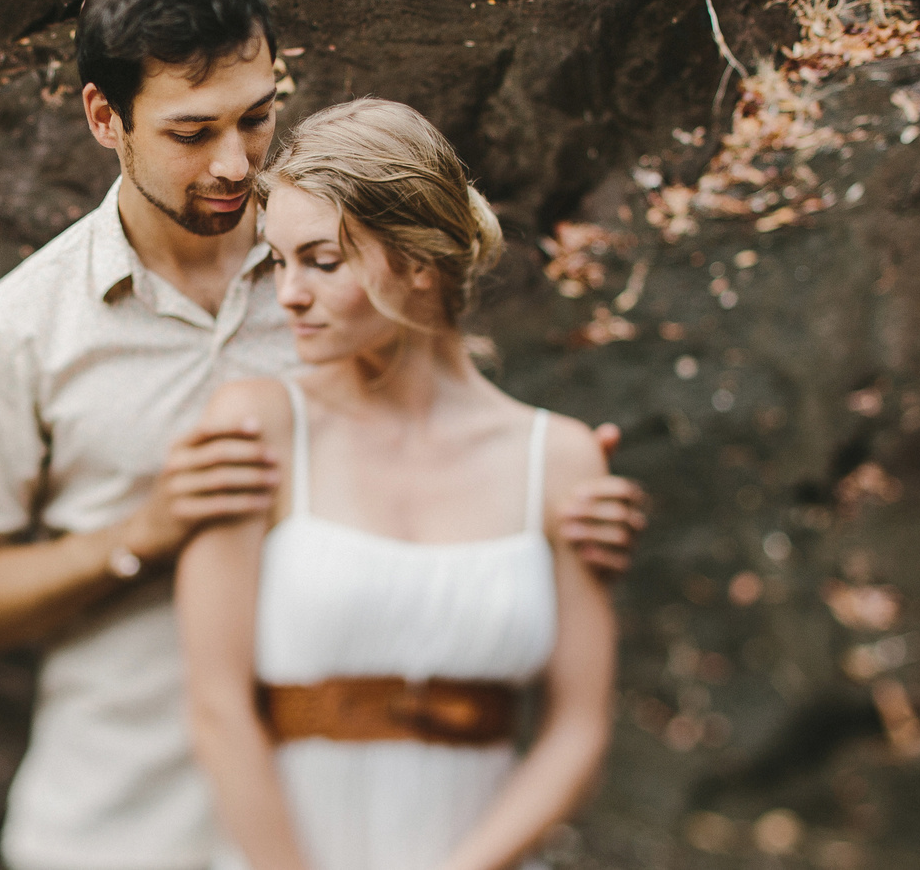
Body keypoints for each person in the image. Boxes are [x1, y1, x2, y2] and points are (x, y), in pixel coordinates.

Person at [0, 0, 643, 870]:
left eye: (257, 118)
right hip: (123, 826)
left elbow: (439, 436)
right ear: (104, 117)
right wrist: (145, 531)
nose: (236, 163)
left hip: (355, 819)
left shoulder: (344, 274)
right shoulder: (22, 328)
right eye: (191, 131)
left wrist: (556, 507)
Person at [176, 99, 615, 870]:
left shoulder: (562, 460)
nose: (289, 295)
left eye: (322, 260)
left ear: (418, 260)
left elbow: (578, 727)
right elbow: (216, 707)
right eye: (278, 261)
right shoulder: (259, 426)